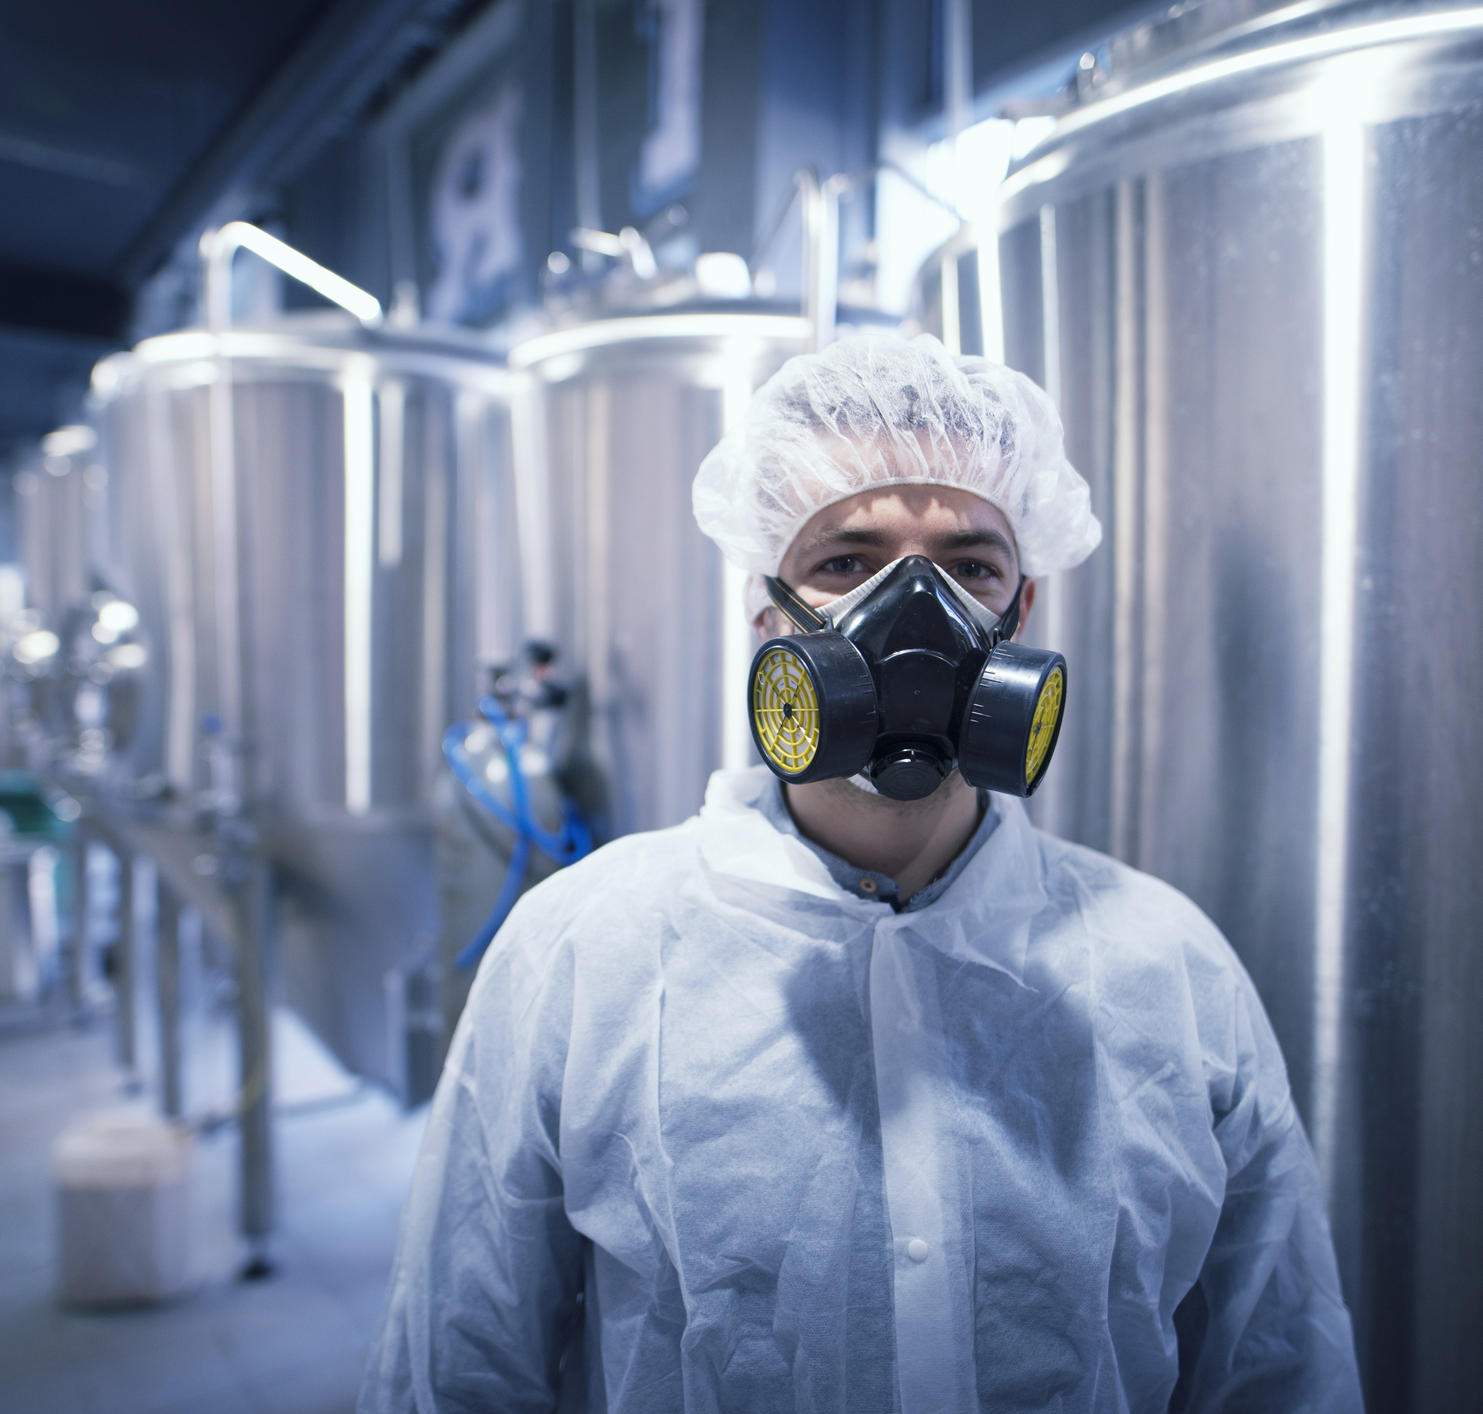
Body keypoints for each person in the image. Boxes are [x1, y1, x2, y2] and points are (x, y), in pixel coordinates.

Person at [360, 332, 1362, 1413]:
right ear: (766, 609)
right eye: (846, 562)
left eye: (970, 567)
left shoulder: (1166, 967)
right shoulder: (585, 951)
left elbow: (1278, 1364)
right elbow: (459, 1364)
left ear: (1019, 614)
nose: (915, 613)